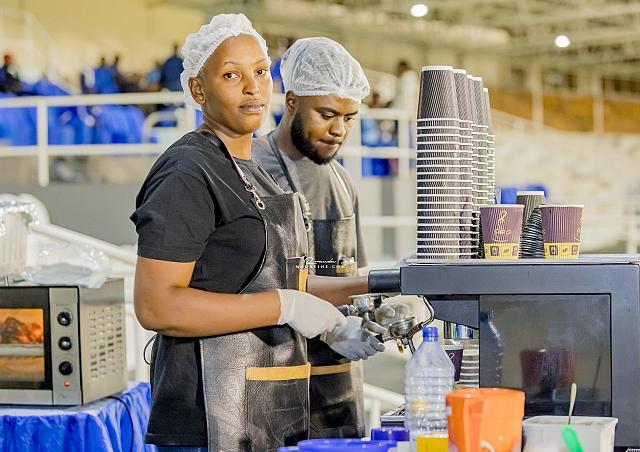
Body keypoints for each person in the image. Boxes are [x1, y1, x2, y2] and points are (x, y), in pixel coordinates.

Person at [131, 14, 383, 452]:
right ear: (198, 90)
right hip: (208, 420)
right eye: (232, 75)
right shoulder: (188, 171)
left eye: (261, 72)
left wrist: (341, 315)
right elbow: (157, 306)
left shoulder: (253, 174)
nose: (252, 88)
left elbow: (276, 283)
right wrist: (285, 305)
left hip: (265, 413)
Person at [253, 37, 408, 439]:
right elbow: (262, 285)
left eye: (349, 118)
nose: (339, 130)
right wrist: (330, 325)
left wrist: (373, 313)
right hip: (271, 383)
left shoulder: (341, 180)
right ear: (291, 101)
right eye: (326, 114)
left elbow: (352, 273)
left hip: (337, 387)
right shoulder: (251, 170)